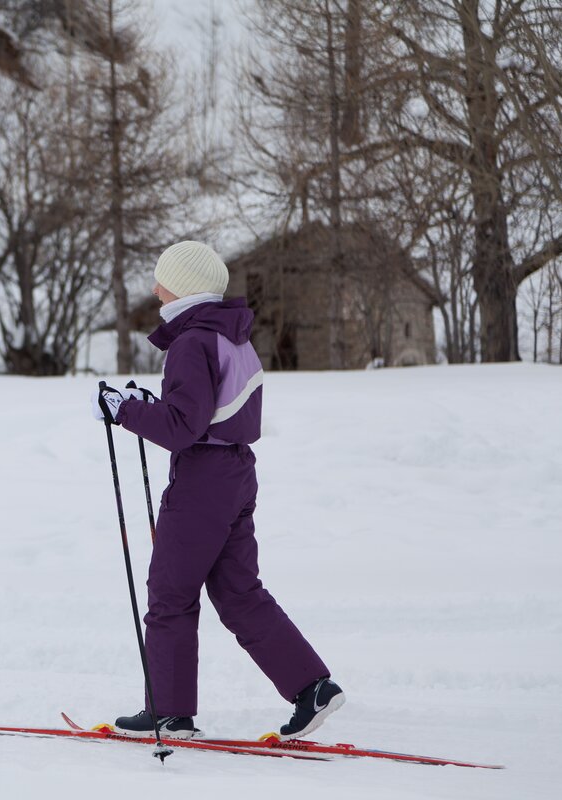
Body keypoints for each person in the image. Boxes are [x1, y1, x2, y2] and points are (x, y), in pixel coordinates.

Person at [93, 240, 343, 741]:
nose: (155, 288)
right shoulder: (231, 337)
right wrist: (147, 404)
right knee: (237, 591)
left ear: (181, 288)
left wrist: (124, 411)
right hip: (236, 473)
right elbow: (204, 411)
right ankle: (311, 686)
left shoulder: (191, 342)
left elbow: (183, 426)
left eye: (161, 280)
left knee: (170, 593)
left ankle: (168, 712)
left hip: (202, 480)